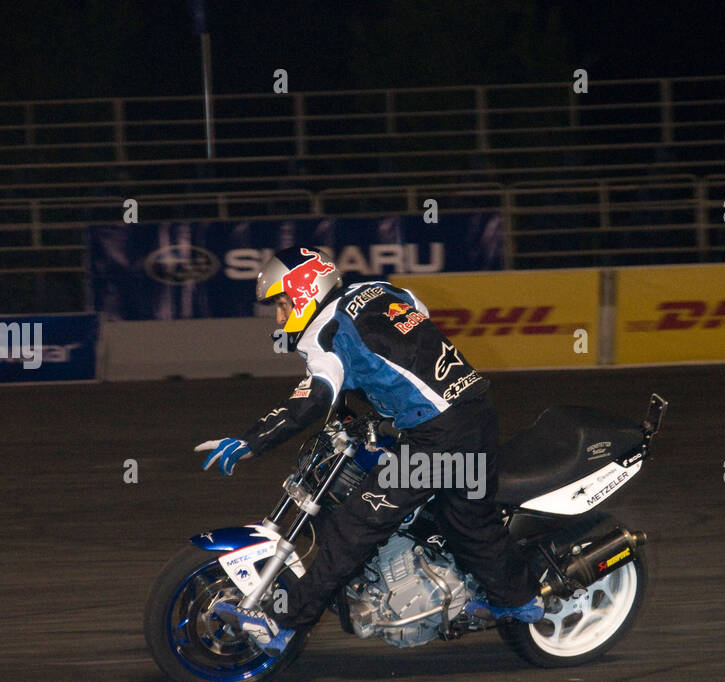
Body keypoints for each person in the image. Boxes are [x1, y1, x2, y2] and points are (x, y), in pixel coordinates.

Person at [196, 246, 543, 651]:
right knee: (467, 521)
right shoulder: (378, 290)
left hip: (440, 437)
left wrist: (251, 441)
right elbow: (415, 315)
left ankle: (285, 625)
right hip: (474, 411)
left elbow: (310, 400)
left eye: (282, 304)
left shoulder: (323, 332)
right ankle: (517, 601)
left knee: (354, 525)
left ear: (306, 289)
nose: (279, 317)